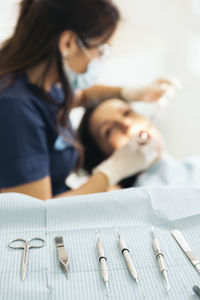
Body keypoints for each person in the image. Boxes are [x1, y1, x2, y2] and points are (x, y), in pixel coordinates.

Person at [0, 0, 174, 200]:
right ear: (68, 43)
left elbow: (81, 96)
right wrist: (111, 172)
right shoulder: (13, 108)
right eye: (101, 50)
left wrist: (130, 93)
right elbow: (36, 218)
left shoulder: (45, 84)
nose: (126, 124)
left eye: (126, 112)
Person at [78, 98, 200, 188]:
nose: (126, 124)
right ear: (104, 159)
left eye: (126, 112)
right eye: (108, 131)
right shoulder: (133, 207)